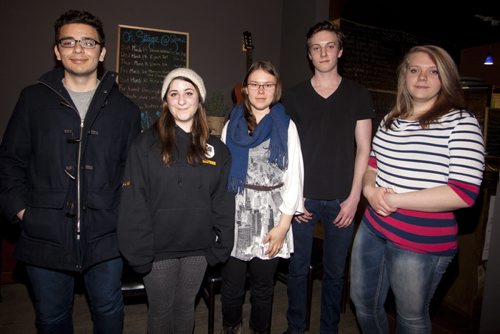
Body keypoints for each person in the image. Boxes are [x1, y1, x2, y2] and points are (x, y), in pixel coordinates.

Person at [0, 9, 141, 333]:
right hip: (44, 234)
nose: (79, 49)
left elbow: (131, 174)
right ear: (57, 50)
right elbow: (9, 162)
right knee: (51, 317)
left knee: (108, 310)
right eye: (69, 41)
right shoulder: (32, 99)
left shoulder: (126, 110)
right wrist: (23, 213)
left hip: (106, 236)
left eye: (88, 42)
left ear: (102, 51)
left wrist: (120, 218)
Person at [350, 45, 485, 333]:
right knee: (362, 303)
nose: (422, 77)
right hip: (373, 228)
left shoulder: (462, 123)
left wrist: (395, 199)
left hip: (420, 241)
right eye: (415, 70)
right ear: (405, 77)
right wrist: (369, 191)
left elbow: (463, 192)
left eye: (432, 71)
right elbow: (372, 165)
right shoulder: (391, 119)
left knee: (410, 318)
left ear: (445, 77)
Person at [117, 67, 235, 333]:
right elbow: (133, 201)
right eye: (174, 93)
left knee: (185, 308)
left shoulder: (218, 150)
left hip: (198, 250)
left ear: (199, 99)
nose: (182, 100)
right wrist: (137, 252)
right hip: (157, 251)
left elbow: (223, 201)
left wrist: (222, 245)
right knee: (160, 311)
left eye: (188, 92)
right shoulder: (144, 145)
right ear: (166, 101)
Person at [282, 20, 374, 334]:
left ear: (340, 51)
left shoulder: (358, 94)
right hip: (302, 200)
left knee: (336, 273)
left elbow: (364, 149)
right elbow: (287, 153)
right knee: (297, 270)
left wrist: (354, 198)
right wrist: (294, 198)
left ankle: (329, 329)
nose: (323, 52)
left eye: (329, 46)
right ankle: (296, 328)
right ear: (309, 54)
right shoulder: (292, 97)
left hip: (342, 200)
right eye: (316, 48)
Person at [220, 60, 304, 334]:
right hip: (236, 214)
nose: (260, 90)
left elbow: (294, 178)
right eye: (254, 84)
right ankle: (231, 326)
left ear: (276, 89)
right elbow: (221, 174)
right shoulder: (231, 124)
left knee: (263, 289)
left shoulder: (286, 125)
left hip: (271, 217)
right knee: (231, 286)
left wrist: (283, 226)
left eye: (267, 85)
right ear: (245, 89)